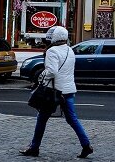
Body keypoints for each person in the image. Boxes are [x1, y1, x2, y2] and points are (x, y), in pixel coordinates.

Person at [21, 25, 93, 159]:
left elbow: (52, 71)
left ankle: (34, 147)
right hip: (68, 90)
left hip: (54, 91)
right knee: (73, 119)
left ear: (53, 37)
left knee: (41, 119)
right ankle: (86, 145)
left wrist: (42, 76)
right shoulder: (70, 50)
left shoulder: (52, 51)